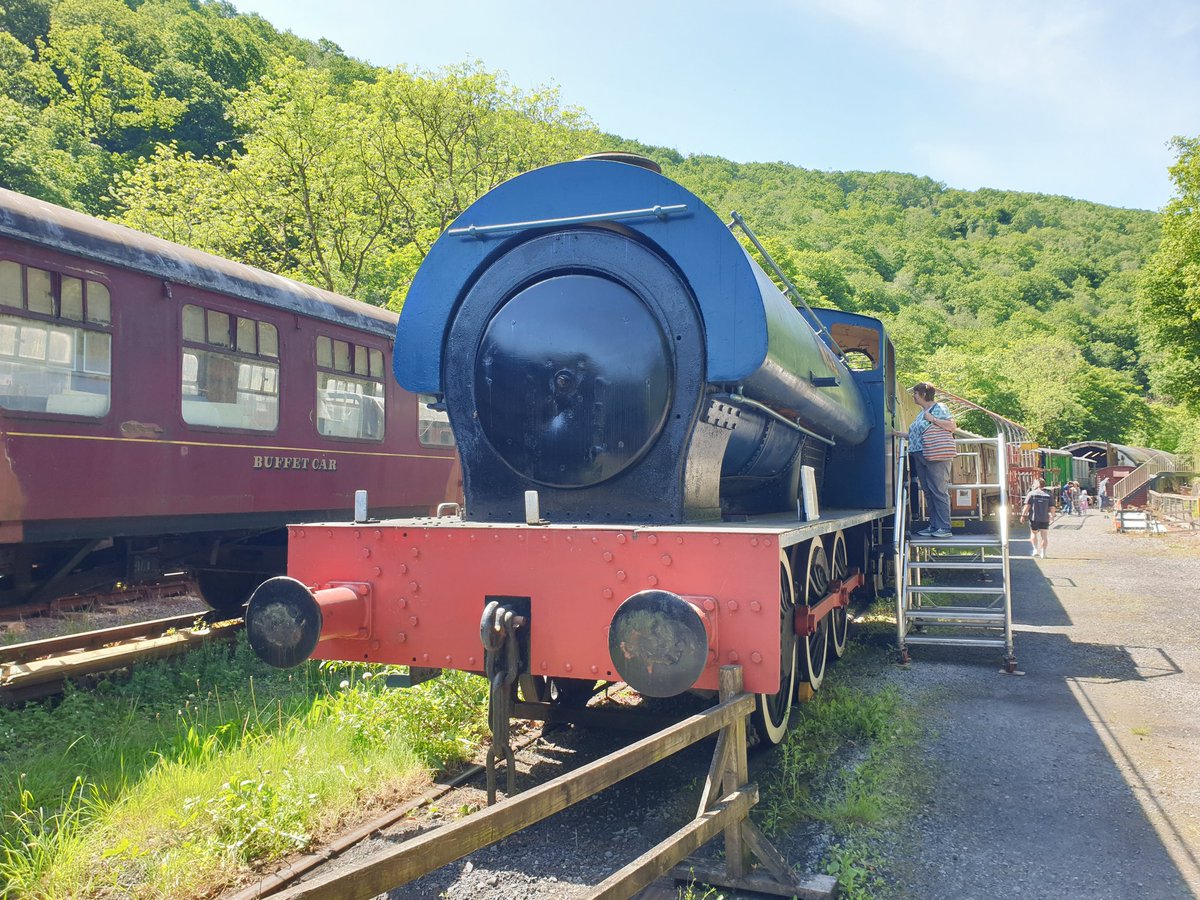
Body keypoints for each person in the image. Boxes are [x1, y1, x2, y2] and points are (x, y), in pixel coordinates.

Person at [904, 382, 957, 538]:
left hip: (935, 454)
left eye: (915, 393)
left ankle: (944, 527)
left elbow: (952, 426)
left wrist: (933, 419)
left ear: (923, 395)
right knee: (928, 491)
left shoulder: (939, 408)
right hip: (920, 455)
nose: (913, 396)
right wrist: (898, 434)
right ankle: (934, 525)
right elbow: (917, 435)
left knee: (938, 490)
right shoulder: (922, 412)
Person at [1021, 478, 1052, 558]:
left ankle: (1035, 550)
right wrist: (1053, 516)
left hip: (1034, 518)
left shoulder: (1031, 494)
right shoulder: (1049, 494)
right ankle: (1043, 553)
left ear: (1037, 484)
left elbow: (1027, 506)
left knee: (1033, 533)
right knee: (1044, 536)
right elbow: (1052, 507)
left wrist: (1023, 515)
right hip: (1045, 518)